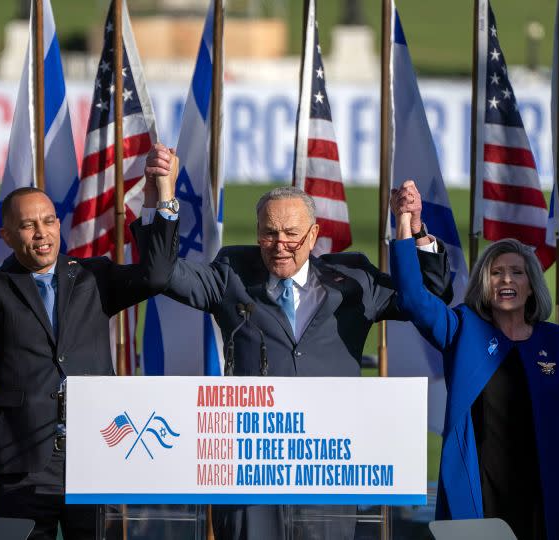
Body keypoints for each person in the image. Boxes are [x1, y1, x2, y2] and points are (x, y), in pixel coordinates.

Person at [143, 144, 452, 540]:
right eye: (269, 233)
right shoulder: (231, 274)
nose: (279, 243)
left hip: (329, 474)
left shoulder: (353, 279)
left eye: (291, 233)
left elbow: (431, 299)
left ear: (314, 235)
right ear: (256, 233)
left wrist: (414, 230)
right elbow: (159, 275)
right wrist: (164, 197)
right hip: (249, 478)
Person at [0, 170, 179, 540]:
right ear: (7, 236)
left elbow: (157, 277)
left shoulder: (94, 275)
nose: (41, 233)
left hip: (95, 450)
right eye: (27, 226)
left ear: (59, 224)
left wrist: (162, 200)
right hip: (21, 458)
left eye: (48, 221)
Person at [390, 206, 559, 538]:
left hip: (542, 499)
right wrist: (405, 226)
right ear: (485, 284)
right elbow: (412, 299)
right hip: (479, 496)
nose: (507, 279)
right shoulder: (462, 329)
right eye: (496, 272)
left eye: (517, 273)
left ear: (531, 285)